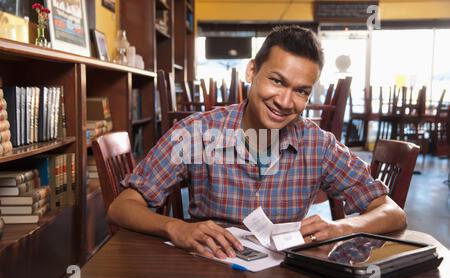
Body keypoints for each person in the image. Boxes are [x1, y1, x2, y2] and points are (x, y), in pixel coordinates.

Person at [108, 26, 406, 260]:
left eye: (301, 91)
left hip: (284, 277)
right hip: (207, 271)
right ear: (252, 71)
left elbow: (391, 212)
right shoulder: (197, 133)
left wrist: (340, 227)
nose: (285, 102)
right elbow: (122, 207)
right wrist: (175, 227)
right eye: (276, 81)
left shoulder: (319, 146)